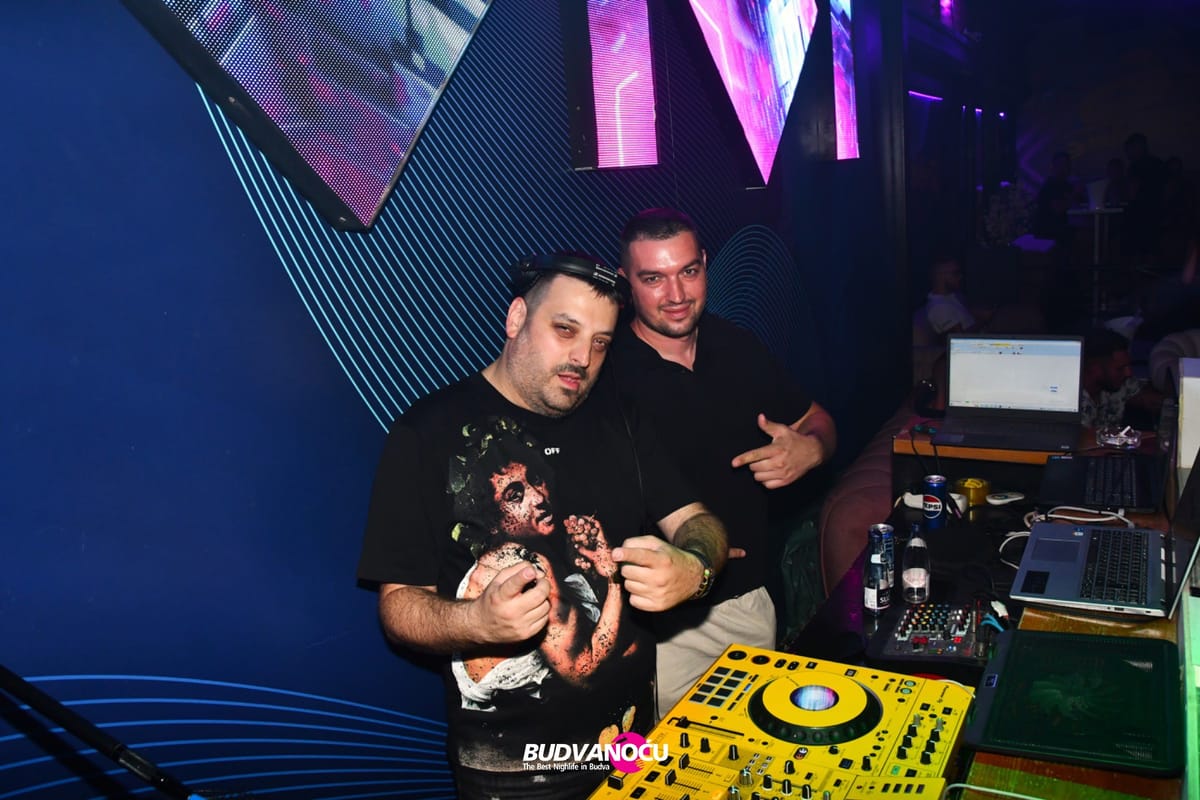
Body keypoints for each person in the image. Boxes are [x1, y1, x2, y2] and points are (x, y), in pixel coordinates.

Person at [357, 251, 730, 800]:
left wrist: (695, 568)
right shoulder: (426, 435)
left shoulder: (620, 419)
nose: (583, 357)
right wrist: (476, 622)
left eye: (600, 342)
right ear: (516, 319)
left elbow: (699, 522)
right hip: (513, 774)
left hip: (632, 750)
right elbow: (398, 607)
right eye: (565, 330)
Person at [605, 208, 837, 716]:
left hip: (747, 603)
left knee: (754, 753)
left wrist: (812, 448)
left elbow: (817, 419)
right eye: (654, 278)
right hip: (660, 628)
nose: (676, 294)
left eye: (688, 271)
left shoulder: (737, 345)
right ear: (626, 283)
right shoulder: (606, 374)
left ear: (705, 265)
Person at [1081, 326, 1164, 430]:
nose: (1128, 373)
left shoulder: (1121, 384)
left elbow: (1151, 398)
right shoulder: (1073, 401)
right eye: (1120, 368)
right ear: (1094, 369)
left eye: (1128, 366)